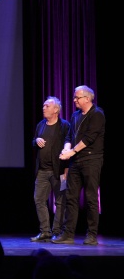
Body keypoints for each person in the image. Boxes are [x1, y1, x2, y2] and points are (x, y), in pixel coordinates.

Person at [52, 85, 105, 246]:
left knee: (90, 199)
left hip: (91, 160)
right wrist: (66, 148)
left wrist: (72, 151)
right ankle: (68, 234)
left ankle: (92, 235)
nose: (74, 100)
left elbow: (89, 139)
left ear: (87, 99)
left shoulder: (97, 114)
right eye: (75, 97)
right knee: (71, 198)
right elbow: (70, 135)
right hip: (76, 161)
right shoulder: (75, 115)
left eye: (77, 97)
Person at [30, 96, 71, 242]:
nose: (44, 108)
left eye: (47, 106)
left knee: (60, 202)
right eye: (43, 106)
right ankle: (45, 231)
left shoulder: (64, 125)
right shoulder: (41, 125)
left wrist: (66, 169)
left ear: (56, 110)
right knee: (39, 200)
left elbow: (68, 145)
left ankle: (57, 231)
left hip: (59, 171)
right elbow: (34, 141)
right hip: (42, 171)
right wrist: (36, 141)